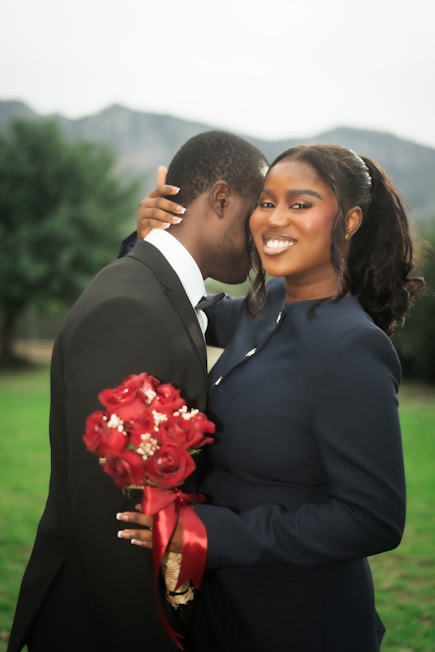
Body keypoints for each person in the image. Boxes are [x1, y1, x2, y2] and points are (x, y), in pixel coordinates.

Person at [117, 143, 424, 651]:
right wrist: (148, 243)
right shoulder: (269, 305)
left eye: (299, 204)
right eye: (265, 202)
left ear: (348, 221)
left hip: (299, 621)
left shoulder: (353, 347)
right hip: (225, 610)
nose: (273, 219)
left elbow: (373, 519)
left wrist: (209, 532)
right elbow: (179, 306)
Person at [7, 130, 268, 652]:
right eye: (257, 207)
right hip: (101, 624)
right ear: (220, 199)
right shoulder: (130, 308)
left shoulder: (157, 291)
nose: (264, 228)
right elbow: (111, 518)